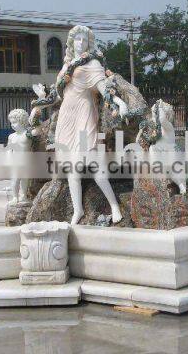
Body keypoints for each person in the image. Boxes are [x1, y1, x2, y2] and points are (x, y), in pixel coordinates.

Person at [54, 26, 128, 225]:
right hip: (67, 114)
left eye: (83, 39)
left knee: (94, 164)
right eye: (76, 39)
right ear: (71, 42)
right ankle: (77, 210)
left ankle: (114, 205)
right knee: (72, 168)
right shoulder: (68, 64)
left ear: (89, 42)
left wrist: (118, 102)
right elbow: (59, 89)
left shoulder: (92, 62)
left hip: (84, 112)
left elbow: (102, 86)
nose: (80, 43)